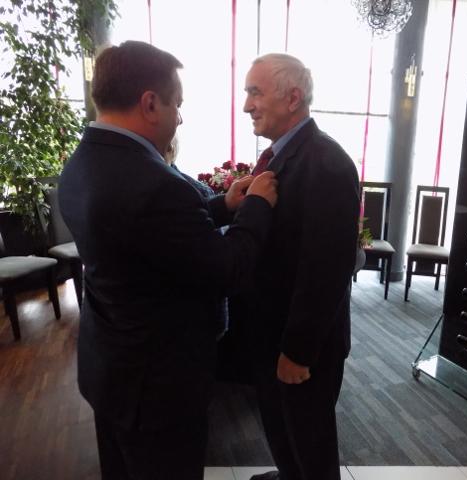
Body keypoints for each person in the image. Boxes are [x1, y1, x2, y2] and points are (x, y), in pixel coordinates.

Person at [58, 40, 277, 480]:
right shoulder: (153, 182)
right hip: (157, 388)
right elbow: (227, 269)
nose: (179, 118)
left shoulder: (82, 162)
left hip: (111, 368)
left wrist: (221, 206)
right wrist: (256, 207)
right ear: (150, 103)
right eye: (177, 104)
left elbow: (147, 236)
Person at [241, 53, 360, 480]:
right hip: (271, 333)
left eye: (255, 92)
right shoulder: (282, 156)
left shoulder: (326, 163)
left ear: (293, 98)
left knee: (311, 449)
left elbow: (325, 271)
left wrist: (298, 350)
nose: (247, 105)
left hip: (302, 345)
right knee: (282, 433)